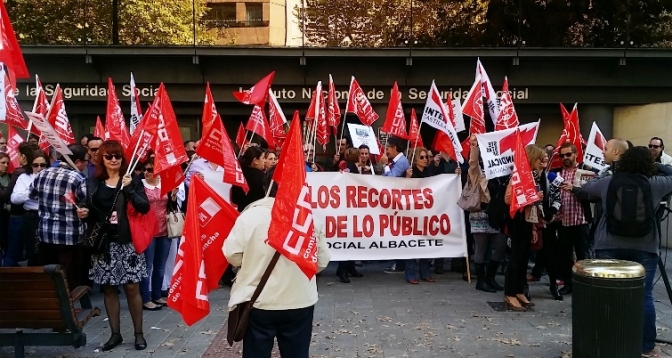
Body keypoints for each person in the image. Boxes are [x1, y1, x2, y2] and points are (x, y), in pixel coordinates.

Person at [223, 167, 331, 358]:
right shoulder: (308, 219)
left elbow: (232, 254)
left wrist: (251, 261)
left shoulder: (249, 217)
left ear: (266, 186)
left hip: (259, 301)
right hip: (299, 300)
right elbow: (321, 262)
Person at [580, 146, 672, 357]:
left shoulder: (610, 181)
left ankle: (606, 342)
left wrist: (613, 170)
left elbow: (587, 187)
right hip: (645, 248)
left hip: (608, 245)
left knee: (606, 296)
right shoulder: (656, 184)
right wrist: (657, 165)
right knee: (645, 296)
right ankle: (646, 347)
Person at [79, 140, 150, 351]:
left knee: (132, 287)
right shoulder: (94, 182)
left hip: (126, 241)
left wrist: (128, 189)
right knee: (109, 289)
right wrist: (83, 213)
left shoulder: (132, 180)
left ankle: (139, 334)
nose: (113, 160)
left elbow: (144, 207)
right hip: (103, 243)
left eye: (117, 156)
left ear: (122, 158)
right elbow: (90, 210)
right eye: (109, 156)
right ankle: (115, 334)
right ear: (101, 158)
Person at [30, 144, 88, 289]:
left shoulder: (43, 173)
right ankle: (69, 308)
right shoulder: (78, 177)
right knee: (69, 277)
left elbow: (31, 194)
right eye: (86, 161)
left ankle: (52, 306)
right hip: (69, 236)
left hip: (46, 234)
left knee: (49, 276)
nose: (88, 164)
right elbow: (86, 200)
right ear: (78, 162)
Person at [503, 144, 545, 311]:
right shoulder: (517, 176)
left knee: (523, 258)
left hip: (527, 221)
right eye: (539, 158)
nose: (542, 161)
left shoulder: (531, 176)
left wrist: (534, 228)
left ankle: (519, 290)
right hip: (517, 221)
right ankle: (510, 293)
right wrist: (534, 197)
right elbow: (508, 199)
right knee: (516, 258)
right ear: (532, 158)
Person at [465, 135, 506, 293]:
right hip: (480, 213)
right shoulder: (477, 172)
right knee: (481, 248)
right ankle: (481, 281)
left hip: (497, 215)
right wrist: (474, 147)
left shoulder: (500, 171)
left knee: (500, 247)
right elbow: (472, 163)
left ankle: (491, 277)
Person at [139, 159, 178, 311]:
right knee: (147, 266)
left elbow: (172, 206)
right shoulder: (140, 185)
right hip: (147, 230)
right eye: (145, 169)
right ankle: (145, 298)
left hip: (164, 229)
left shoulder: (166, 184)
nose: (146, 172)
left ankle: (156, 295)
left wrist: (173, 197)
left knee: (160, 266)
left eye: (149, 169)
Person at [554, 143, 592, 295]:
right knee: (565, 256)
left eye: (568, 155)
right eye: (562, 155)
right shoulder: (556, 173)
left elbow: (591, 196)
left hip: (580, 220)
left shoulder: (584, 172)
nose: (565, 158)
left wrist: (574, 189)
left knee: (583, 255)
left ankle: (585, 286)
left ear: (576, 154)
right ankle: (568, 283)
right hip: (562, 221)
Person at [528, 150, 563, 300]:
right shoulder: (526, 177)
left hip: (547, 222)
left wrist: (551, 213)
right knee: (526, 253)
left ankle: (553, 285)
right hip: (530, 220)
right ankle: (522, 287)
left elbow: (557, 197)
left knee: (550, 254)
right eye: (541, 158)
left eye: (546, 158)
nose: (544, 160)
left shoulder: (551, 177)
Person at [402, 147, 435, 284]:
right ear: (415, 159)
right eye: (422, 157)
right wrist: (407, 179)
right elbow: (401, 190)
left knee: (424, 244)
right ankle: (410, 274)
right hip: (411, 215)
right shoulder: (410, 173)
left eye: (426, 157)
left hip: (425, 214)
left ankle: (425, 272)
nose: (425, 159)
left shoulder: (429, 173)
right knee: (411, 244)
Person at [11, 150, 49, 266]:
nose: (39, 168)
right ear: (30, 165)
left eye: (43, 165)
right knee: (33, 249)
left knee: (47, 250)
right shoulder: (24, 177)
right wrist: (32, 192)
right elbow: (15, 198)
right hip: (32, 216)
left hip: (48, 216)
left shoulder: (53, 177)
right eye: (35, 165)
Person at [2, 143, 37, 266]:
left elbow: (7, 195)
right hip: (32, 217)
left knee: (13, 251)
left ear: (23, 156)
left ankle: (7, 281)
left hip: (18, 216)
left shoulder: (19, 173)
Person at [335, 148, 364, 283]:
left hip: (350, 207)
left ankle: (350, 268)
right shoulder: (350, 169)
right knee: (348, 241)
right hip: (350, 208)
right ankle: (343, 270)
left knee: (351, 240)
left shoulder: (347, 168)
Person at [231, 146, 266, 213]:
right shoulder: (263, 177)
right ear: (255, 160)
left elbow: (234, 198)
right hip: (255, 213)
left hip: (238, 213)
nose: (265, 161)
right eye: (263, 158)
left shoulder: (237, 174)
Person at [0, 153, 10, 257]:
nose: (6, 165)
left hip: (7, 217)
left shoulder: (10, 177)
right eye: (3, 162)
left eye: (7, 163)